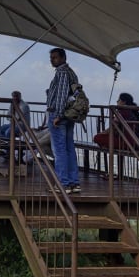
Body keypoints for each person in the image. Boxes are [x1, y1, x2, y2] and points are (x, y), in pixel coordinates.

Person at [46, 48, 81, 194]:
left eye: (55, 57)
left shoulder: (61, 73)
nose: (52, 60)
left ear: (63, 58)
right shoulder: (71, 72)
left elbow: (60, 96)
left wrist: (58, 115)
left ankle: (63, 184)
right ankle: (74, 182)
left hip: (58, 115)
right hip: (69, 115)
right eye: (51, 58)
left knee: (59, 150)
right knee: (68, 148)